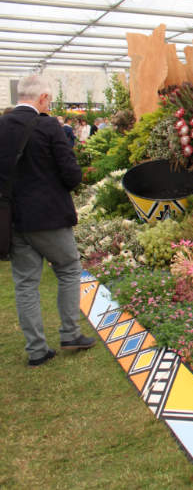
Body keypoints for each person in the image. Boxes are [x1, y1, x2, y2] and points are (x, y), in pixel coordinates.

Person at [0, 75, 95, 367]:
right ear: (42, 98)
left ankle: (37, 350)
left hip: (13, 218)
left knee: (25, 284)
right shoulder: (48, 126)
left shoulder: (1, 126)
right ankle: (70, 333)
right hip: (49, 217)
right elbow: (72, 175)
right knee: (68, 269)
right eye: (49, 100)